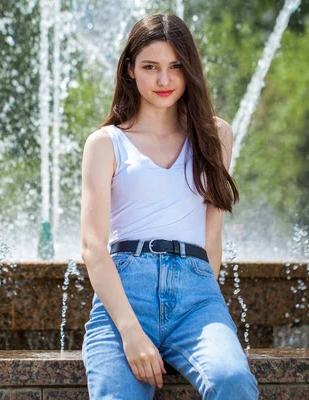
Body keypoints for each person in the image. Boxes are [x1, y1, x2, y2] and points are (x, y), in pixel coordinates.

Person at [79, 12, 259, 399]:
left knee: (232, 380)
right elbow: (93, 245)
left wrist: (201, 290)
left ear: (190, 69)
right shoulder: (106, 143)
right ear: (130, 69)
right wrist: (129, 330)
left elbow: (212, 237)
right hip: (126, 292)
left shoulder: (216, 136)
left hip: (196, 296)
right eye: (150, 67)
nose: (164, 80)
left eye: (176, 67)